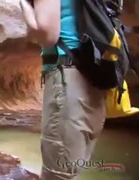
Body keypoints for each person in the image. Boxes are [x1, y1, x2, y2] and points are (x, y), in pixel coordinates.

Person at [20, 0, 107, 179]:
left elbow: (47, 36)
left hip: (67, 78)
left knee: (57, 174)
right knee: (72, 169)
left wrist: (25, 5)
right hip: (95, 79)